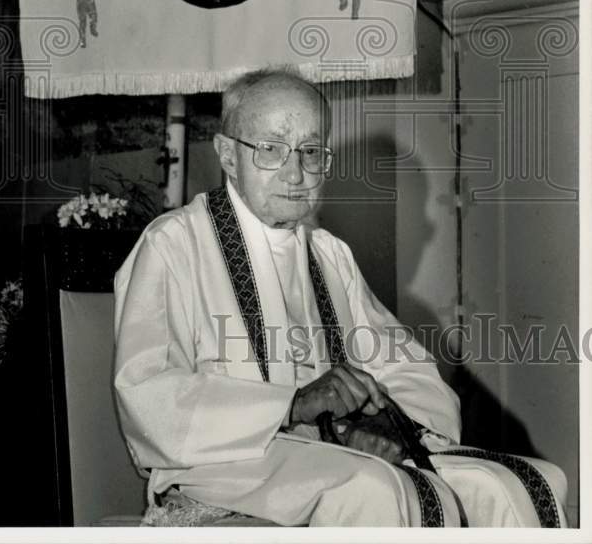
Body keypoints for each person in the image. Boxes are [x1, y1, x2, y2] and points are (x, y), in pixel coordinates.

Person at [113, 69, 568, 527]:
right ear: (229, 156)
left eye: (311, 152)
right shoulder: (173, 244)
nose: (296, 172)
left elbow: (404, 366)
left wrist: (385, 422)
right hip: (227, 460)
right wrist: (289, 405)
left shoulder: (328, 254)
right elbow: (147, 392)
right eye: (271, 149)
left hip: (330, 451)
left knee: (521, 484)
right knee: (374, 492)